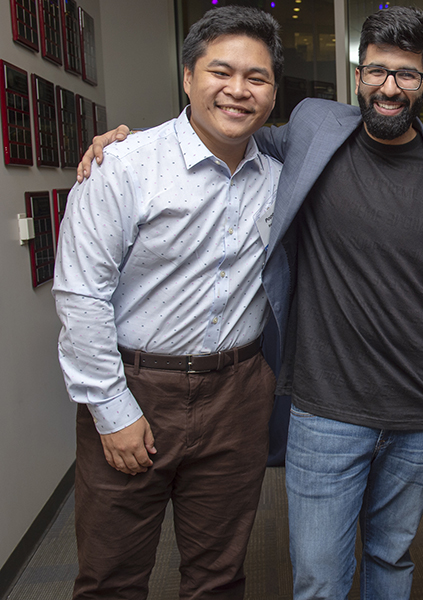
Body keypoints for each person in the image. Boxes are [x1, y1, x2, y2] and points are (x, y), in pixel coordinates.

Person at [80, 6, 423, 599]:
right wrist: (127, 141)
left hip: (420, 412)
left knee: (391, 558)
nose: (390, 87)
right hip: (323, 409)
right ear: (358, 74)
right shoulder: (315, 128)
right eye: (376, 71)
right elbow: (219, 128)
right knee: (318, 575)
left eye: (407, 74)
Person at [54, 7, 285, 599]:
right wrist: (112, 409)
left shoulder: (282, 180)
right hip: (137, 390)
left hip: (238, 395)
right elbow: (82, 296)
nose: (238, 91)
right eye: (221, 72)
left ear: (272, 91)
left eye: (256, 78)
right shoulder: (122, 166)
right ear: (187, 77)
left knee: (218, 577)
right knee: (111, 578)